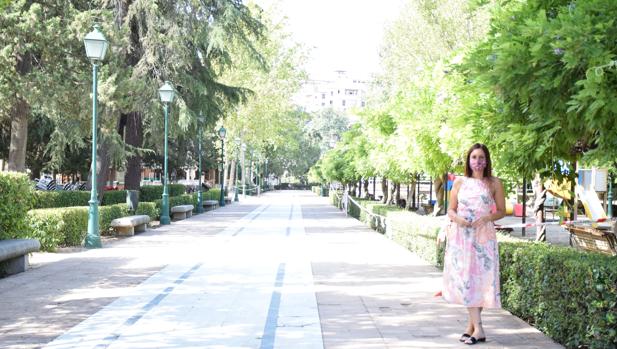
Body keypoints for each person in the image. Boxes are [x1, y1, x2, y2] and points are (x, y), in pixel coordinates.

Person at [442, 143, 506, 345]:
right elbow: (450, 210)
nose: (477, 161)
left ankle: (474, 328)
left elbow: (502, 211)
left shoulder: (494, 183)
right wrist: (458, 220)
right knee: (465, 280)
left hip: (483, 236)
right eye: (474, 157)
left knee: (479, 281)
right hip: (461, 237)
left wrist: (487, 218)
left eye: (481, 158)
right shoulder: (459, 182)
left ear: (487, 161)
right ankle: (476, 328)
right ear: (468, 161)